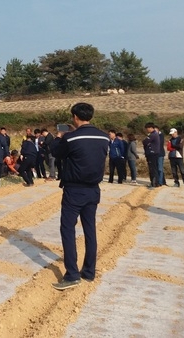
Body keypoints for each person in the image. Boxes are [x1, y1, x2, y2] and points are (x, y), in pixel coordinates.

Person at [49, 103, 109, 290]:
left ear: (75, 117)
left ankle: (72, 274)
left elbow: (56, 152)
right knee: (90, 229)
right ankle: (89, 271)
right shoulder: (104, 137)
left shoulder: (72, 138)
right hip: (94, 189)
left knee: (68, 229)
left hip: (74, 189)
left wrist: (60, 136)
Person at [142, 123, 161, 188]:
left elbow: (145, 142)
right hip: (152, 153)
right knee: (153, 168)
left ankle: (154, 183)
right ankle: (155, 183)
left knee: (153, 169)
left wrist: (146, 141)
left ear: (151, 128)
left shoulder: (153, 134)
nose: (147, 130)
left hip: (152, 154)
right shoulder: (153, 134)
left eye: (147, 128)